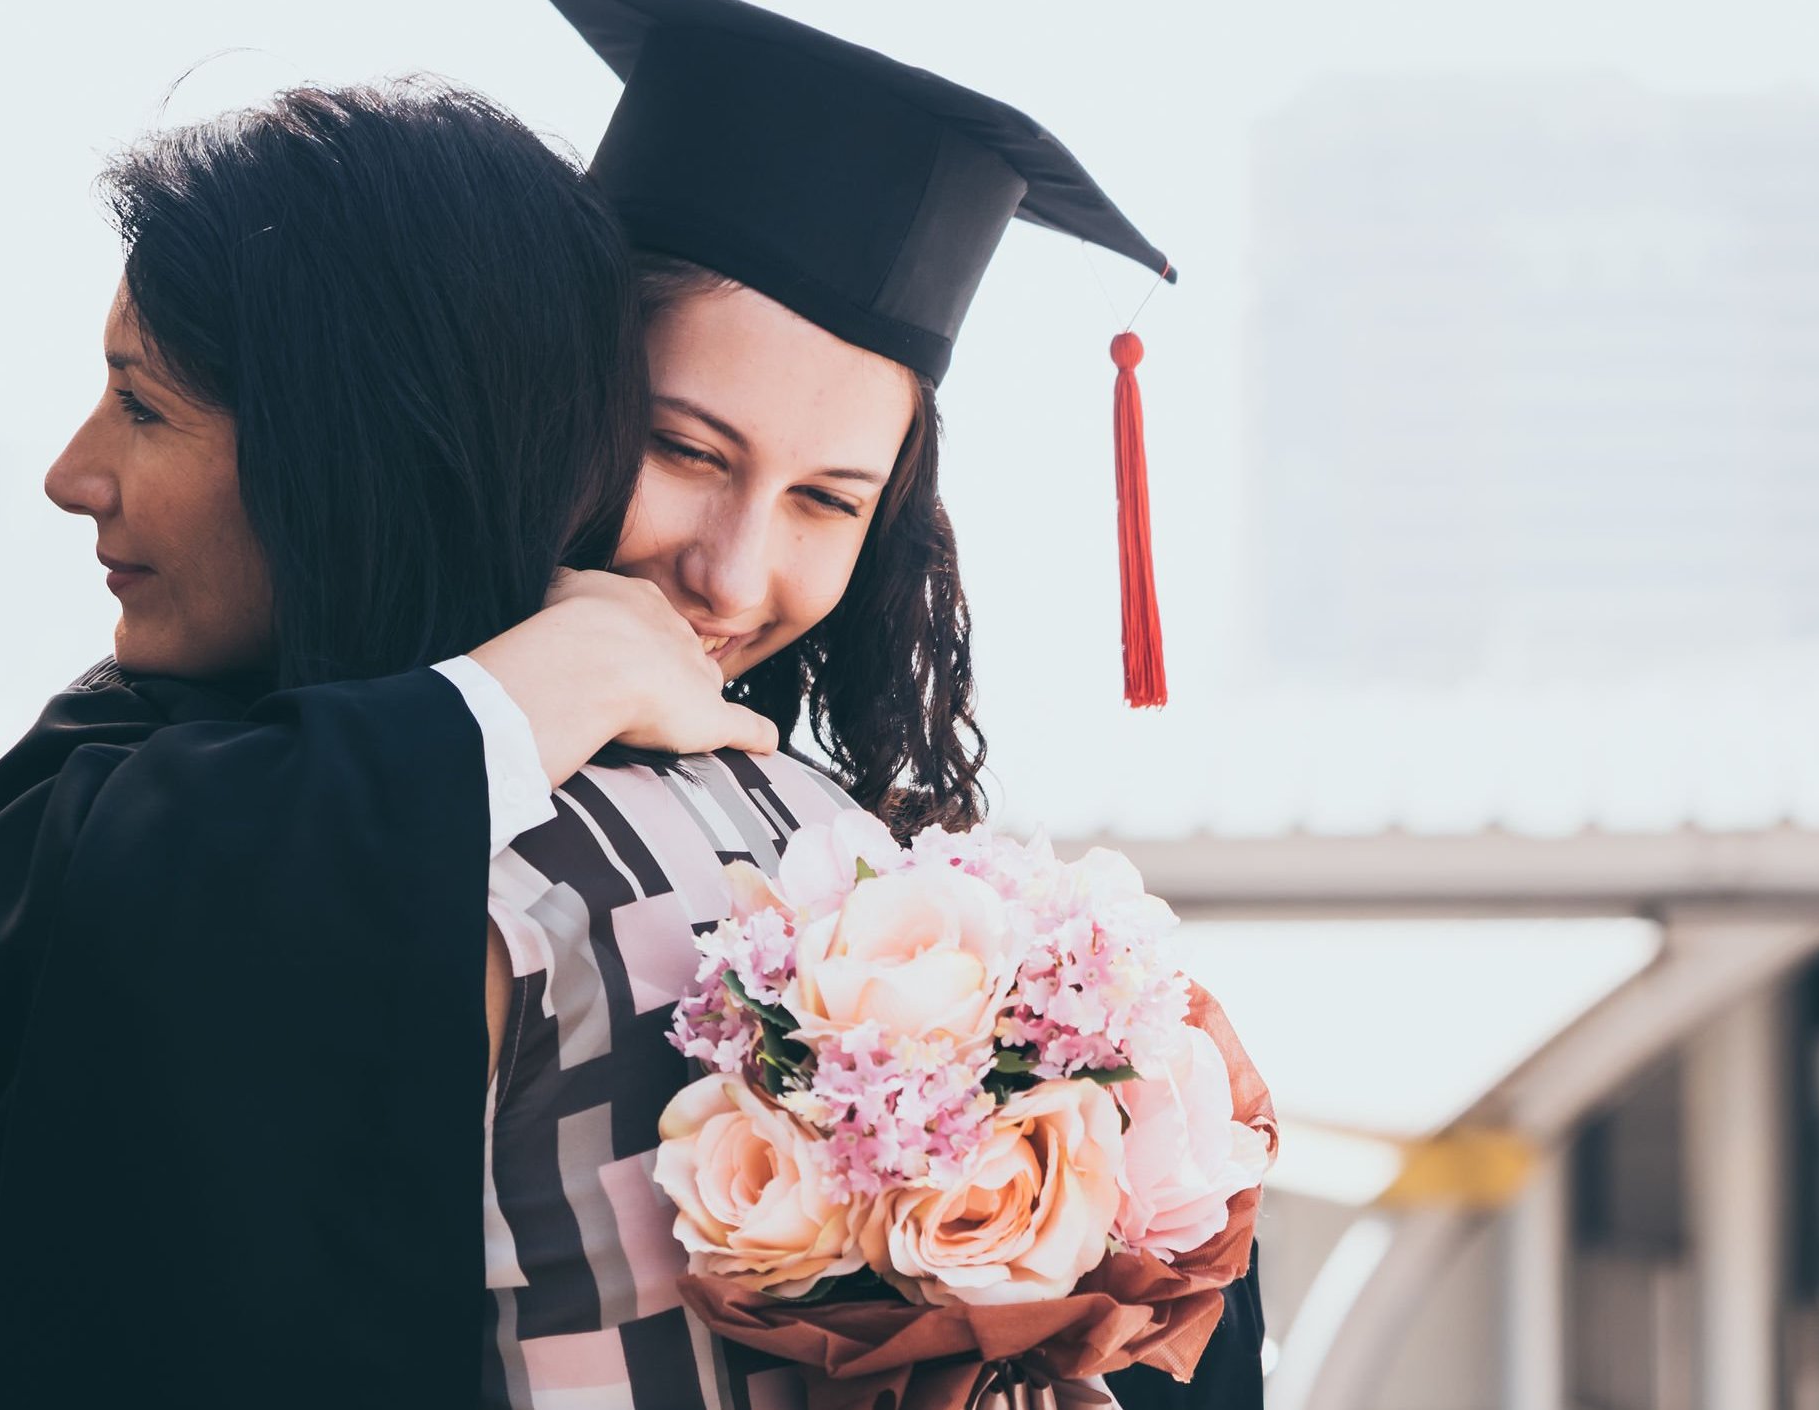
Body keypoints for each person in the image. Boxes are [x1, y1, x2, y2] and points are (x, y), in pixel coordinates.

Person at [0, 79, 776, 1408]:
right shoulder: (130, 767)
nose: (73, 474)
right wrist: (517, 691)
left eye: (144, 404)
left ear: (337, 455)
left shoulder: (659, 870)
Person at [474, 2, 1272, 1405]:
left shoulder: (859, 856)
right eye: (680, 449)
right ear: (553, 393)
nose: (732, 568)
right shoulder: (391, 795)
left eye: (826, 501)